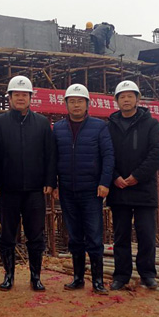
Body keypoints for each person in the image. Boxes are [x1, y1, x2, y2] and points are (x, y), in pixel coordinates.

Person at [0, 75, 56, 291]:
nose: (20, 98)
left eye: (24, 94)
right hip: (8, 190)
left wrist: (50, 180)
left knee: (36, 235)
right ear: (9, 98)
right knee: (7, 235)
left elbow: (50, 154)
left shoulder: (42, 123)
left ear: (30, 97)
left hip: (35, 190)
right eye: (16, 94)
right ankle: (9, 275)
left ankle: (35, 276)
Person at [52, 84, 114, 295]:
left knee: (94, 236)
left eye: (80, 101)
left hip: (91, 192)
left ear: (88, 104)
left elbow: (108, 156)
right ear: (66, 104)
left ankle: (98, 281)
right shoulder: (58, 128)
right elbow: (53, 157)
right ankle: (78, 278)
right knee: (74, 236)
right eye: (72, 101)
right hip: (67, 191)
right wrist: (54, 183)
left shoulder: (99, 127)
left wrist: (104, 182)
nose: (76, 105)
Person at [107, 80, 159, 290]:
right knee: (120, 235)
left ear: (137, 99)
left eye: (130, 96)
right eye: (122, 97)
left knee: (146, 234)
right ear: (116, 101)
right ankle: (121, 275)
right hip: (119, 188)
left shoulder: (151, 124)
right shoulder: (110, 126)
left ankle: (147, 274)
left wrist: (137, 176)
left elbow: (156, 153)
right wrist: (115, 177)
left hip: (143, 189)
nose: (126, 100)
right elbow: (106, 154)